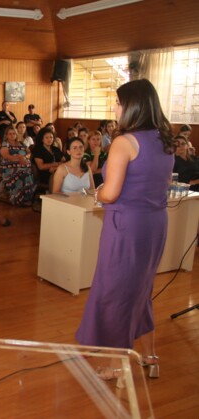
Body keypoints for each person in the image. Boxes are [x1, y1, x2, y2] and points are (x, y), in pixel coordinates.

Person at [76, 79, 176, 381]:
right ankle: (149, 355)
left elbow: (111, 193)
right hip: (154, 223)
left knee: (115, 292)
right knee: (140, 290)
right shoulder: (165, 139)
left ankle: (117, 365)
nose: (115, 107)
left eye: (118, 103)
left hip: (127, 226)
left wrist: (98, 192)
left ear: (132, 106)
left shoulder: (124, 142)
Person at [0, 127, 36, 206]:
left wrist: (25, 157)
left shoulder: (22, 143)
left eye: (14, 134)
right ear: (7, 135)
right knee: (24, 172)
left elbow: (29, 153)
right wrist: (20, 159)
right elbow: (6, 156)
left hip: (23, 164)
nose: (12, 135)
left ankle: (27, 197)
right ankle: (18, 198)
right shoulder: (5, 144)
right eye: (10, 134)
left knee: (29, 172)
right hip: (9, 166)